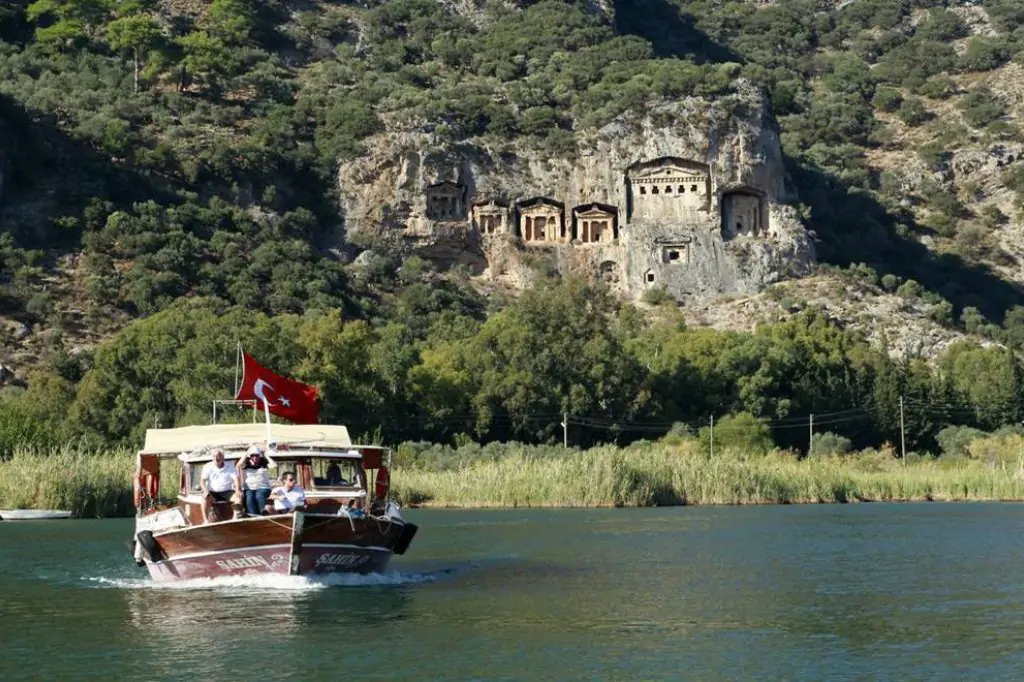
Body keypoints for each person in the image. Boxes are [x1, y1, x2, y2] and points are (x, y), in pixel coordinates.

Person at [200, 448, 238, 524]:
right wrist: (205, 490)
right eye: (214, 456)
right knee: (204, 499)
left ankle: (235, 519)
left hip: (228, 492)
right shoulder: (207, 466)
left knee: (239, 497)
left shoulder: (230, 465)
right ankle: (206, 520)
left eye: (218, 456)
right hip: (213, 493)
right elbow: (202, 481)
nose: (216, 458)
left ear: (223, 457)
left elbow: (236, 479)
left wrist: (238, 490)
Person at [237, 445, 274, 517]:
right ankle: (253, 516)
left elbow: (273, 465)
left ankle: (263, 514)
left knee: (259, 495)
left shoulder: (264, 463)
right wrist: (246, 453)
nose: (254, 457)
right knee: (249, 498)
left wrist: (266, 455)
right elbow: (239, 465)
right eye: (252, 455)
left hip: (263, 487)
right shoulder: (246, 464)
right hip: (249, 488)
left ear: (259, 456)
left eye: (257, 455)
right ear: (250, 456)